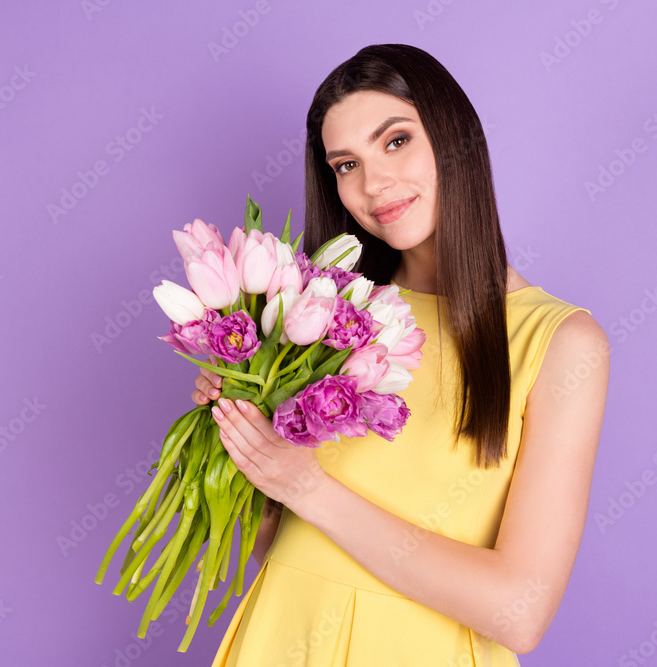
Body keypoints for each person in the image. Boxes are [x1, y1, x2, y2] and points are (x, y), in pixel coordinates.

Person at [193, 44, 609, 666]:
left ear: (453, 135)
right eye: (345, 164)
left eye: (395, 142)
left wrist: (307, 488)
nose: (373, 184)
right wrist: (236, 441)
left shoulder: (559, 342)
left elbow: (519, 613)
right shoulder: (320, 314)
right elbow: (282, 544)